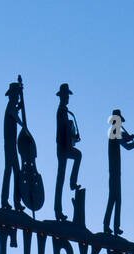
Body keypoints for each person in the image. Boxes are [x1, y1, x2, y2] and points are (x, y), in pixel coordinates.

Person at [103, 109, 134, 236]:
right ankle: (108, 225)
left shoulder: (115, 131)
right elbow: (125, 144)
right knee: (114, 198)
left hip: (116, 171)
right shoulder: (114, 131)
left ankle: (113, 225)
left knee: (116, 198)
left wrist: (130, 138)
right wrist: (133, 142)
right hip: (114, 171)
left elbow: (123, 139)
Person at [54, 82, 82, 221]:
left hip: (64, 147)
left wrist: (73, 138)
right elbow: (64, 130)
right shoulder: (62, 111)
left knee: (61, 178)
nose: (67, 98)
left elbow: (67, 130)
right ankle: (57, 209)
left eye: (67, 95)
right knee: (60, 178)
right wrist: (72, 137)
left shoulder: (64, 111)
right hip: (63, 148)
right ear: (62, 96)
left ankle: (72, 183)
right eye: (65, 95)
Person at [0, 80, 23, 212]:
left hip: (11, 145)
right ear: (12, 96)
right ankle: (8, 201)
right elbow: (14, 115)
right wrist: (24, 126)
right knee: (11, 172)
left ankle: (15, 201)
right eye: (17, 95)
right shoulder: (10, 108)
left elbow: (15, 111)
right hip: (10, 146)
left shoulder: (11, 107)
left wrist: (19, 107)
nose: (18, 98)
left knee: (15, 172)